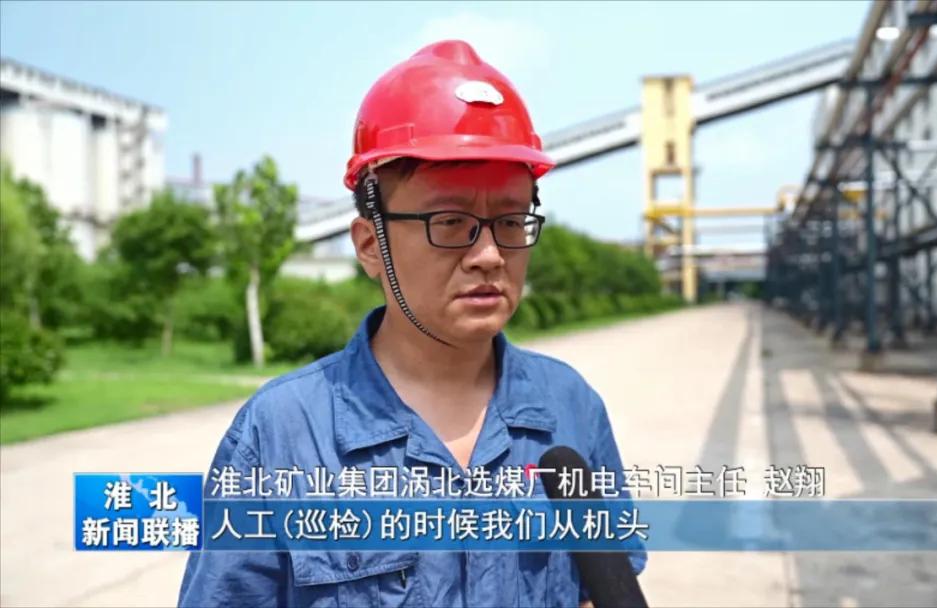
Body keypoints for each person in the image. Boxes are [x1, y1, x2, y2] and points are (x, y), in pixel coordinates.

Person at [178, 39, 645, 608]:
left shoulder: (570, 407)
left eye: (511, 221)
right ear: (370, 244)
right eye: (449, 222)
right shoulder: (282, 434)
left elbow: (606, 587)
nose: (489, 255)